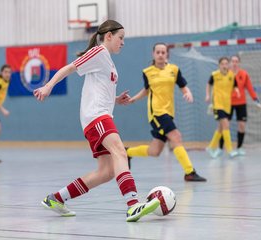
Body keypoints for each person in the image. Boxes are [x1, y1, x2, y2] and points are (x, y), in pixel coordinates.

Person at [34, 20, 160, 222]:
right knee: (120, 151)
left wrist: (116, 99)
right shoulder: (99, 52)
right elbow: (69, 68)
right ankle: (133, 205)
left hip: (99, 116)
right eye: (121, 38)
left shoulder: (108, 60)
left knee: (106, 172)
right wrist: (48, 86)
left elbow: (100, 88)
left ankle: (56, 198)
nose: (123, 42)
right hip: (96, 116)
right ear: (108, 36)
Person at [125, 43, 206, 182]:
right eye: (158, 52)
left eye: (163, 52)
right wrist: (134, 99)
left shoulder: (174, 70)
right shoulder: (147, 72)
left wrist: (188, 93)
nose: (161, 54)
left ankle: (127, 152)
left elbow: (183, 86)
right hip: (156, 113)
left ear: (167, 54)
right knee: (176, 137)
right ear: (154, 54)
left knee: (155, 151)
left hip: (169, 112)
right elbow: (146, 89)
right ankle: (189, 172)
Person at [219, 55, 261, 155]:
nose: (234, 63)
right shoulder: (226, 74)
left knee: (242, 125)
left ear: (239, 63)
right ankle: (220, 149)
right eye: (233, 61)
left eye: (236, 61)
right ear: (230, 63)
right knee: (223, 125)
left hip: (241, 103)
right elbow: (220, 89)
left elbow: (250, 88)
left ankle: (239, 148)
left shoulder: (244, 74)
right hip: (227, 103)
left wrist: (256, 100)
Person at [205, 57, 240, 158]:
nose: (224, 65)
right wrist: (207, 95)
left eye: (226, 64)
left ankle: (211, 147)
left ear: (228, 65)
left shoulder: (231, 75)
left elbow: (235, 85)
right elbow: (208, 84)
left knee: (220, 128)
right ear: (219, 65)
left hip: (227, 105)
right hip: (218, 104)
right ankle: (230, 150)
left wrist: (236, 90)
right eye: (222, 64)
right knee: (226, 125)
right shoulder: (214, 75)